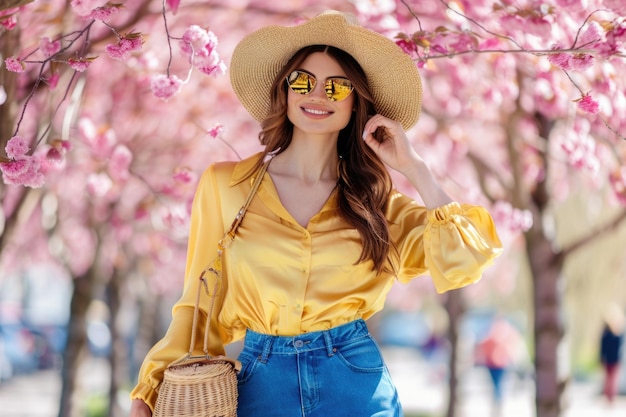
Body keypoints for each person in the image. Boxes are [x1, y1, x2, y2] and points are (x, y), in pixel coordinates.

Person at [129, 10, 503, 417]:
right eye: (303, 81)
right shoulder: (225, 187)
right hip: (260, 386)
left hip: (355, 382)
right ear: (285, 91)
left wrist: (415, 168)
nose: (318, 94)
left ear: (356, 101)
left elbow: (466, 256)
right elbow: (199, 306)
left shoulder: (375, 204)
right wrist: (150, 388)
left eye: (337, 86)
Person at [600, 303, 624, 405]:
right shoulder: (605, 333)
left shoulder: (618, 333)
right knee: (608, 379)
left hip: (615, 359)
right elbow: (603, 346)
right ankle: (608, 397)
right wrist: (601, 358)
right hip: (607, 359)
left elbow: (620, 346)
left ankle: (612, 398)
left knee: (613, 379)